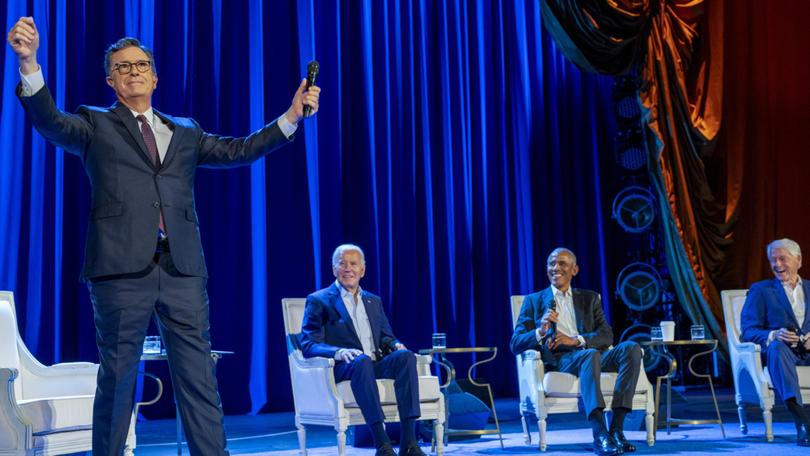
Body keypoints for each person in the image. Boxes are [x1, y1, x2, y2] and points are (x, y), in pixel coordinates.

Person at [7, 16, 320, 456]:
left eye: (141, 65)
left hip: (183, 270)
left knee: (198, 380)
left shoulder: (185, 131)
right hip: (119, 270)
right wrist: (30, 63)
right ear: (111, 80)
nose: (133, 72)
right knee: (117, 380)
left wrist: (290, 116)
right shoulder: (94, 123)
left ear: (155, 76)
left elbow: (240, 150)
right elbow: (50, 123)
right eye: (123, 67)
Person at [511, 247, 642, 456]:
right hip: (562, 359)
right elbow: (515, 343)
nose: (556, 268)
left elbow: (607, 335)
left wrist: (576, 340)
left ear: (575, 270)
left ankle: (616, 430)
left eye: (562, 264)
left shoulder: (589, 298)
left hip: (587, 350)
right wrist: (539, 331)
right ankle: (600, 433)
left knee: (632, 348)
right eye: (551, 264)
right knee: (589, 355)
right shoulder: (533, 301)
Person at [300, 244, 426, 456]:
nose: (348, 268)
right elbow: (308, 344)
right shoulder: (319, 300)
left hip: (374, 363)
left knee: (405, 356)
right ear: (334, 269)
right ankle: (383, 445)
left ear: (362, 270)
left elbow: (387, 336)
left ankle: (410, 443)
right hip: (346, 366)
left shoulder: (373, 301)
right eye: (342, 263)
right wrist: (338, 352)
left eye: (353, 264)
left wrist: (395, 345)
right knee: (362, 360)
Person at [741, 238, 810, 446]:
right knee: (777, 349)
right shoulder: (761, 290)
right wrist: (773, 335)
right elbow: (748, 331)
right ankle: (802, 421)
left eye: (782, 259)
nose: (777, 265)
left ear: (798, 260)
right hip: (783, 353)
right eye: (773, 260)